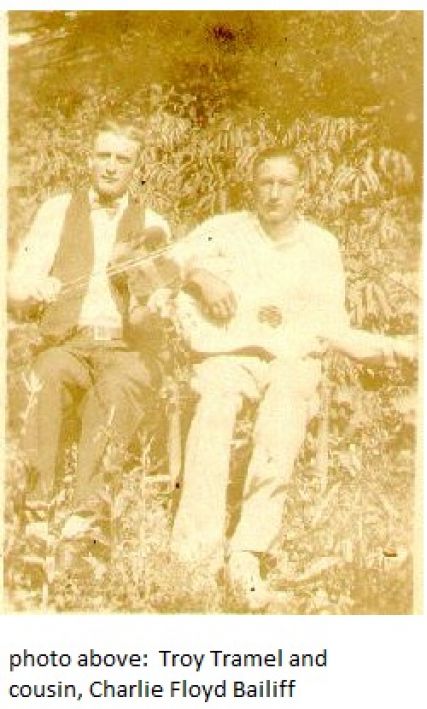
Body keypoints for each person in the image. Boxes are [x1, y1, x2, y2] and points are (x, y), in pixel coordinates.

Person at [165, 146, 416, 611]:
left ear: (301, 190)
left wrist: (395, 350)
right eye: (266, 182)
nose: (274, 193)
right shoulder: (225, 229)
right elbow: (169, 261)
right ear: (253, 186)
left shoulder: (321, 246)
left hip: (291, 359)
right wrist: (201, 277)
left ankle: (246, 555)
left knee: (283, 410)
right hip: (230, 353)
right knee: (216, 405)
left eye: (285, 183)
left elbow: (332, 328)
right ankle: (195, 557)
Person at [8, 117, 171, 590]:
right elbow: (15, 287)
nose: (111, 167)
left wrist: (156, 304)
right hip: (69, 342)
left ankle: (83, 523)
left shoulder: (153, 224)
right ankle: (37, 517)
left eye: (123, 159)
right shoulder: (57, 210)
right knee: (45, 375)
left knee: (114, 392)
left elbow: (154, 305)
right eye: (104, 156)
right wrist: (35, 288)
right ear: (89, 160)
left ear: (136, 168)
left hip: (125, 349)